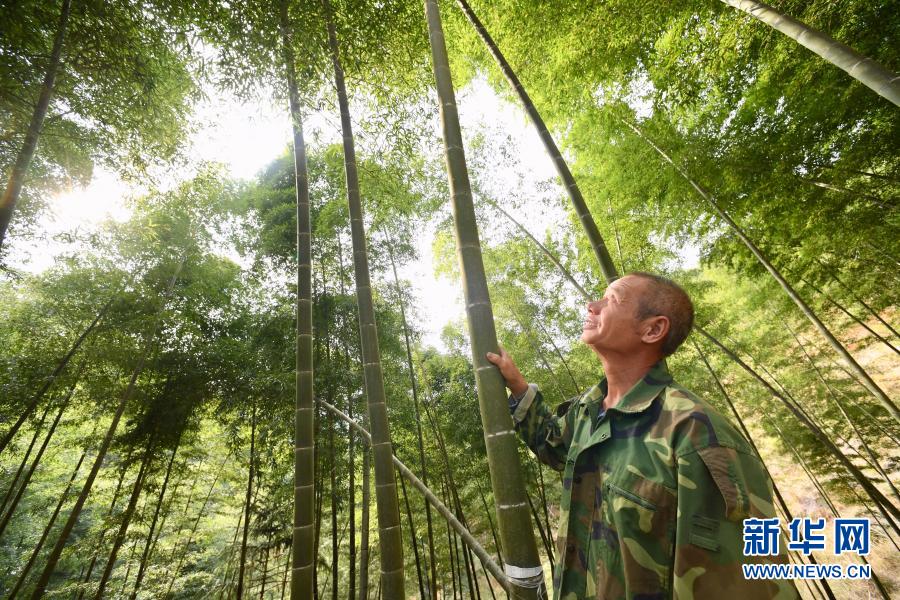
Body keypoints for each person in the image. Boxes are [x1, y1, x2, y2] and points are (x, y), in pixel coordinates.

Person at [486, 272, 797, 600]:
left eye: (612, 300)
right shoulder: (588, 411)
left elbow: (741, 585)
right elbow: (555, 448)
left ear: (652, 329)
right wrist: (518, 387)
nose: (592, 306)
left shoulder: (694, 433)